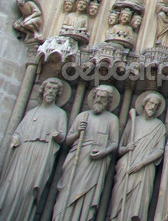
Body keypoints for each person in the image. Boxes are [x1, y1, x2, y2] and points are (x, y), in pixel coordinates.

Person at [0, 78, 68, 221]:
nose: (50, 91)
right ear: (42, 91)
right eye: (48, 88)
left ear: (58, 94)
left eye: (54, 90)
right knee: (12, 186)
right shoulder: (31, 112)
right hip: (22, 153)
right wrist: (16, 138)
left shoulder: (60, 113)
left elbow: (63, 137)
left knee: (29, 190)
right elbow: (19, 131)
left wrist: (57, 135)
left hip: (42, 154)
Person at [53, 85, 120, 221]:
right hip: (77, 157)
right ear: (93, 97)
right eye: (98, 97)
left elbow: (114, 143)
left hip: (96, 162)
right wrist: (78, 132)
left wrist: (103, 152)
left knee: (87, 195)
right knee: (67, 190)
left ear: (108, 101)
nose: (99, 100)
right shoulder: (83, 116)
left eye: (103, 98)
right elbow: (68, 140)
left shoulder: (112, 119)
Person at [110, 92, 167, 221]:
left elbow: (159, 150)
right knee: (119, 199)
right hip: (127, 164)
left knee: (138, 203)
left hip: (144, 168)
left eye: (156, 105)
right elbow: (120, 149)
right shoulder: (133, 122)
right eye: (151, 103)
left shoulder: (160, 126)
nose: (152, 107)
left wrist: (142, 163)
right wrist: (127, 148)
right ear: (144, 104)